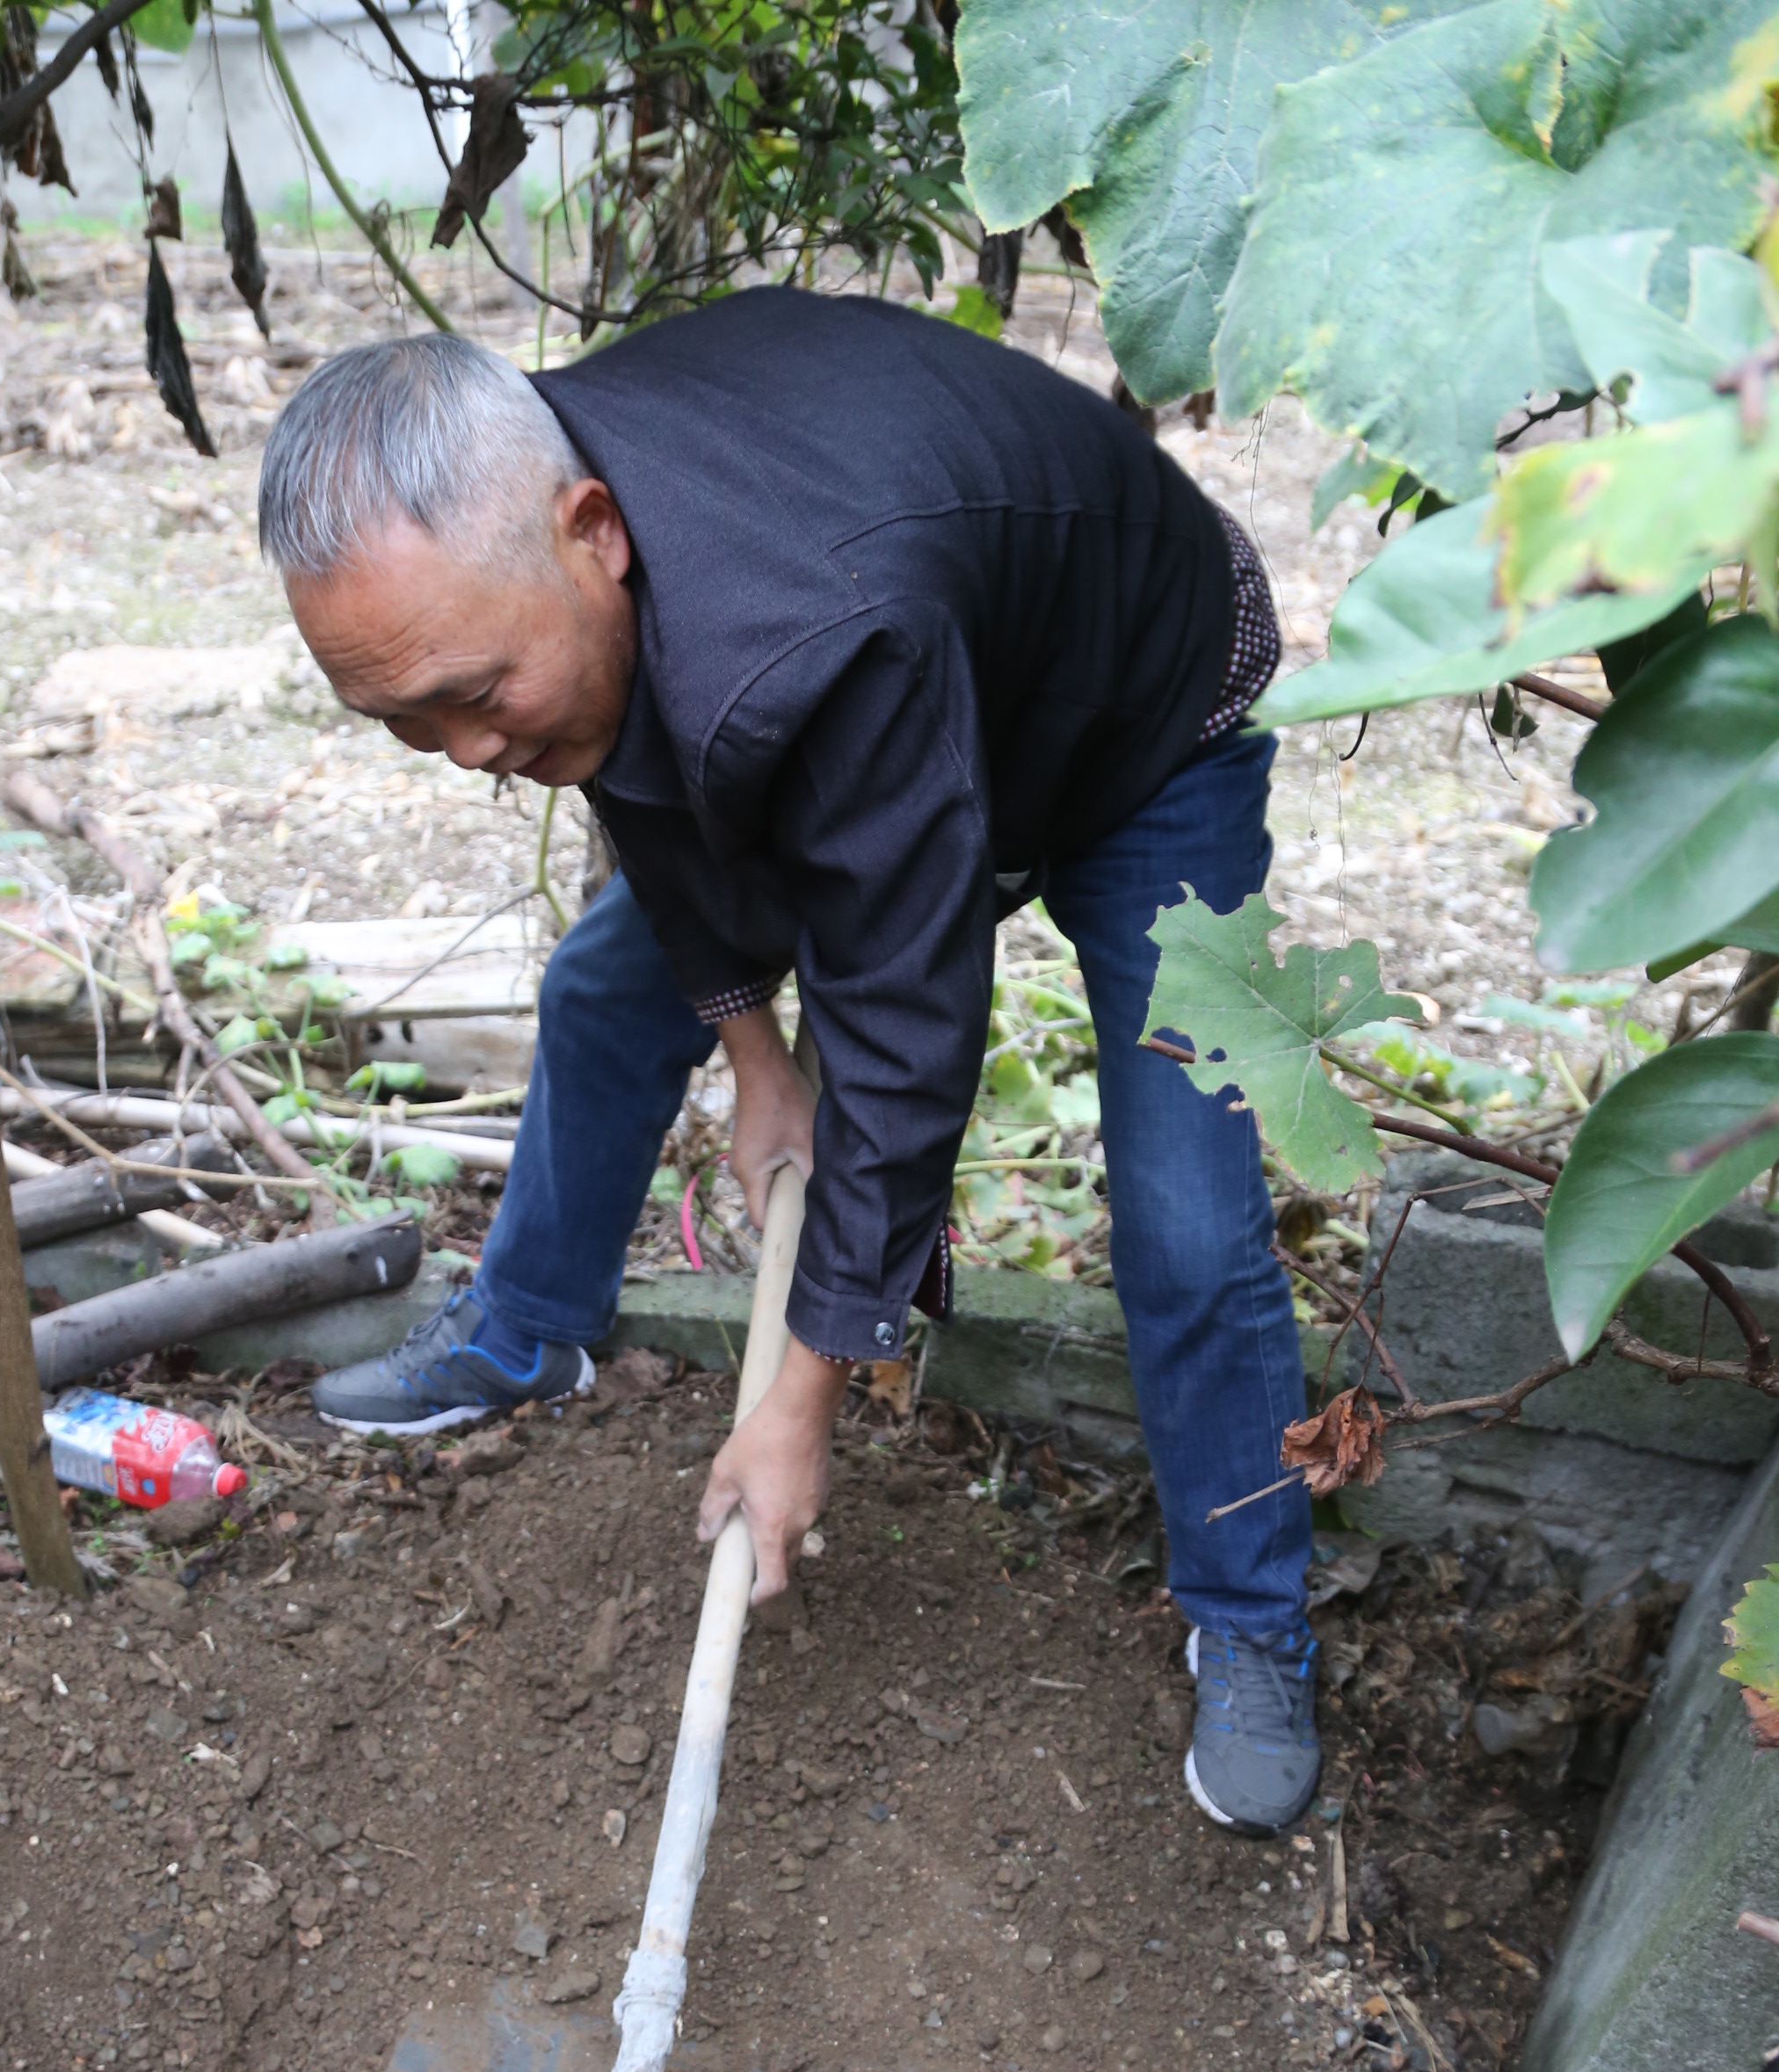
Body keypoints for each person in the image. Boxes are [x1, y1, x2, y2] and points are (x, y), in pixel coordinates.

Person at [255, 294, 1318, 1835]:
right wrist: (753, 1054)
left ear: (594, 532)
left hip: (1125, 714)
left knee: (1183, 1203)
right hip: (897, 656)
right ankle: (527, 1327)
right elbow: (640, 776)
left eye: (475, 696)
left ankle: (1254, 1613)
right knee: (608, 987)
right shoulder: (524, 491)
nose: (466, 753)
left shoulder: (810, 628)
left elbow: (906, 1022)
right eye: (402, 721)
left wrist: (803, 1393)